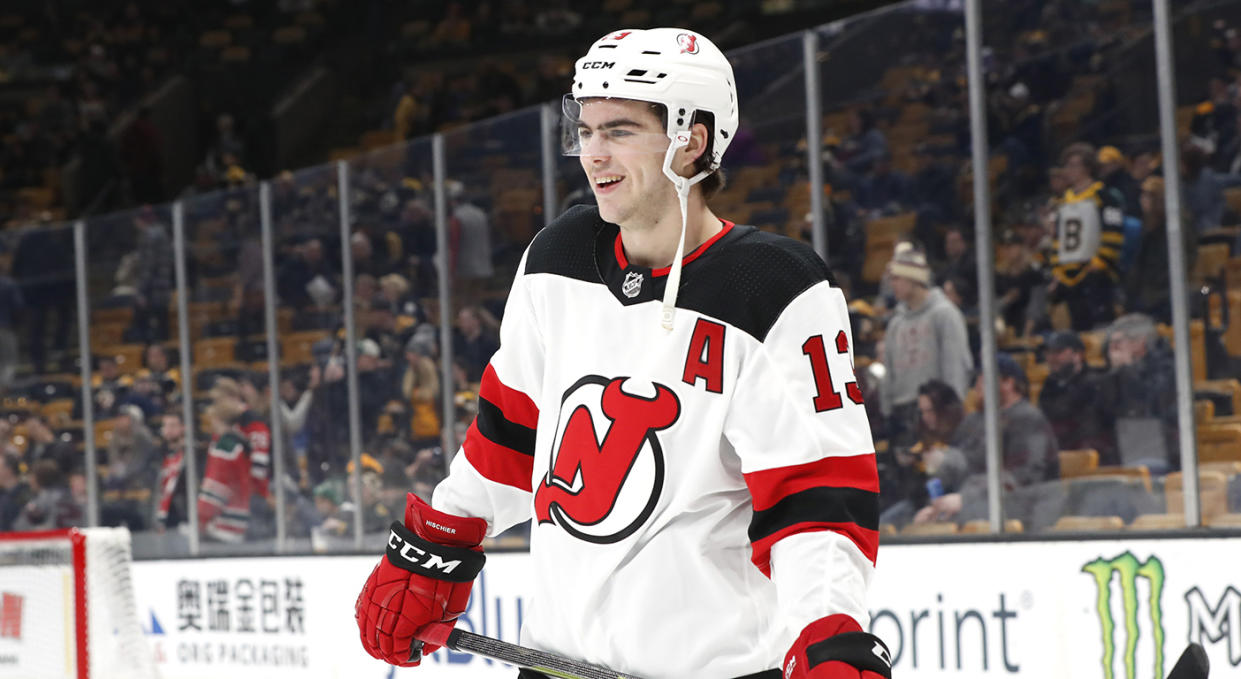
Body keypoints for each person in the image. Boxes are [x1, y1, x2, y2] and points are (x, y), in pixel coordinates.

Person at [355, 28, 889, 679]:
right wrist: (441, 536)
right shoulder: (557, 257)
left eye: (619, 130)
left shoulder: (774, 286)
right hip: (554, 666)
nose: (592, 154)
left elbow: (816, 492)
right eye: (583, 130)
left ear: (691, 141)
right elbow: (511, 431)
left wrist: (828, 628)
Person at [880, 243, 973, 448]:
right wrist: (887, 412)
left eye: (896, 278)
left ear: (914, 279)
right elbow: (889, 371)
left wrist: (951, 411)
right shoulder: (896, 322)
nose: (891, 285)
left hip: (936, 410)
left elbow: (956, 366)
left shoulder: (944, 315)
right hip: (902, 411)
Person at [1047, 143, 1127, 330]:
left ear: (1088, 167)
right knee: (1077, 326)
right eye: (1068, 165)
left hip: (1095, 273)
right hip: (1068, 275)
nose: (1070, 170)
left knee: (1102, 324)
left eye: (1075, 165)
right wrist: (1057, 270)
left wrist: (1101, 261)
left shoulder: (1104, 196)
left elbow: (1114, 232)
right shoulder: (1062, 201)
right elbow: (1058, 239)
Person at [1036, 331, 1115, 464]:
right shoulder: (1049, 385)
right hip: (1057, 454)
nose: (1051, 358)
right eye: (1048, 353)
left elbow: (1092, 428)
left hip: (1091, 456)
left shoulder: (1096, 382)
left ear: (1078, 355)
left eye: (1058, 352)